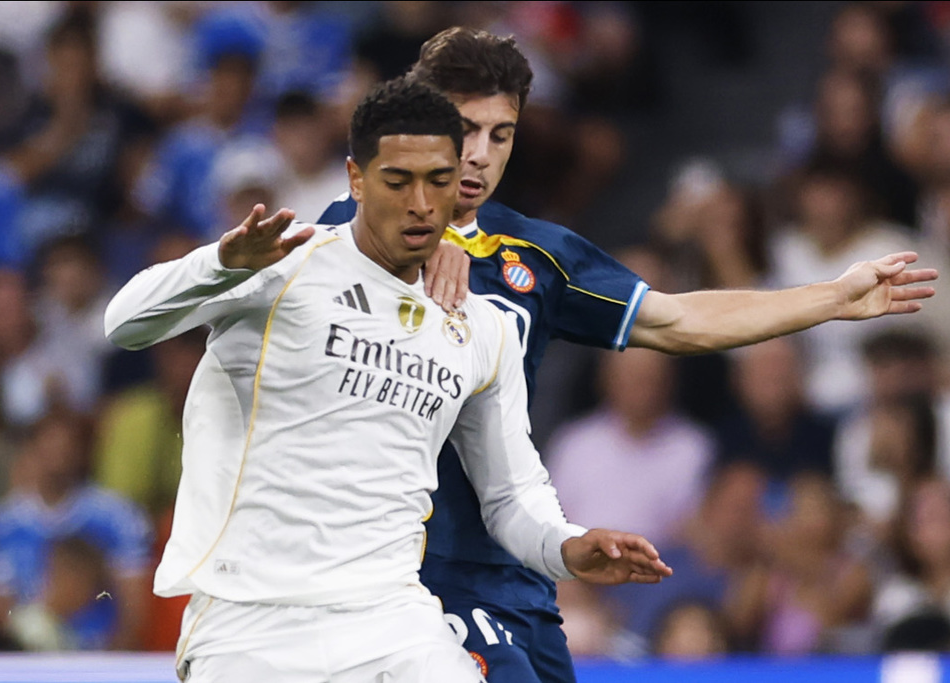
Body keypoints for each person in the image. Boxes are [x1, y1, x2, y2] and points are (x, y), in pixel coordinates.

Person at [319, 26, 938, 683]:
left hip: (514, 574)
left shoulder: (538, 255)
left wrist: (831, 297)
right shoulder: (337, 240)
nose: (479, 156)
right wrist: (418, 244)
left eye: (500, 135)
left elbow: (679, 320)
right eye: (465, 129)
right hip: (405, 574)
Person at [104, 77, 671, 682]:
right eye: (399, 181)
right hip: (251, 622)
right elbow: (125, 323)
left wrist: (567, 546)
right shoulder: (285, 265)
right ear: (356, 179)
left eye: (438, 180)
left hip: (391, 619)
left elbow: (510, 493)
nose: (422, 203)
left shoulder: (483, 327)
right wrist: (220, 263)